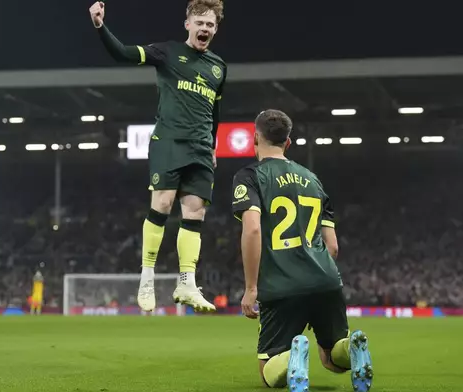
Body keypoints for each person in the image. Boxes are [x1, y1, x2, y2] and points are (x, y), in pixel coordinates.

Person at [89, 0, 227, 312]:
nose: (205, 28)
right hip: (170, 142)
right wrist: (100, 26)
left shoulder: (219, 67)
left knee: (196, 214)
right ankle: (147, 277)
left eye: (210, 25)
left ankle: (187, 283)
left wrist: (214, 144)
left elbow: (214, 110)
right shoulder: (168, 52)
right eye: (200, 22)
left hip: (202, 149)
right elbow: (122, 52)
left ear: (215, 29)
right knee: (163, 204)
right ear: (188, 24)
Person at [231, 110, 374, 391]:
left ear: (255, 138)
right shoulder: (312, 179)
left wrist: (250, 287)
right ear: (288, 143)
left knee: (268, 372)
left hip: (282, 285)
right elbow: (332, 246)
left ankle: (291, 358)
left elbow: (253, 229)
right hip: (326, 279)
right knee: (332, 357)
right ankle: (350, 347)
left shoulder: (249, 176)